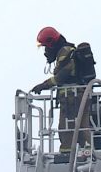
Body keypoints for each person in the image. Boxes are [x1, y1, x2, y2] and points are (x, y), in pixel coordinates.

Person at [30, 26, 90, 154]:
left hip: (72, 98)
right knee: (78, 126)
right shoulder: (66, 50)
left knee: (66, 129)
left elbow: (62, 76)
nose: (45, 51)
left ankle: (68, 155)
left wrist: (43, 85)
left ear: (51, 44)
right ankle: (83, 150)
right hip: (77, 96)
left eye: (46, 47)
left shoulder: (65, 52)